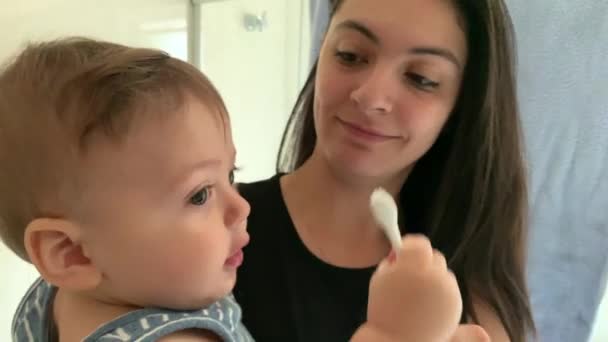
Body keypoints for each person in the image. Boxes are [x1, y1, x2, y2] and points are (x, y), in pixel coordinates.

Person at [1, 37, 485, 342]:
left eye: (229, 177)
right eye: (198, 195)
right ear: (70, 254)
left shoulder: (60, 300)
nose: (239, 206)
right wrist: (396, 331)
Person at [234, 0, 536, 341]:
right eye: (350, 55)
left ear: (459, 108)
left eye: (421, 78)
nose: (372, 96)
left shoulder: (469, 294)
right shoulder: (213, 227)